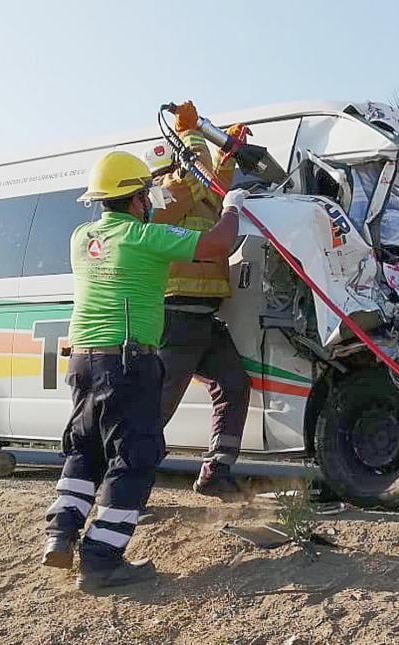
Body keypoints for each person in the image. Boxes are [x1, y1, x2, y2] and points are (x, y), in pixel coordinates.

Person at [41, 148, 244, 592]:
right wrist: (232, 205)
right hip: (127, 363)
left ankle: (61, 534)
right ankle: (102, 560)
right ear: (136, 201)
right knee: (133, 459)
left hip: (84, 361)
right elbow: (216, 245)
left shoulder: (81, 237)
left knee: (85, 450)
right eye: (146, 196)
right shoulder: (142, 236)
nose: (150, 202)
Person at [148, 101, 252, 499]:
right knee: (157, 407)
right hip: (174, 318)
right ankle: (124, 486)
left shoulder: (199, 193)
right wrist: (191, 133)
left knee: (233, 384)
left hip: (204, 319)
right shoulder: (163, 194)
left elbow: (212, 187)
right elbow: (196, 184)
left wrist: (228, 153)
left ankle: (217, 471)